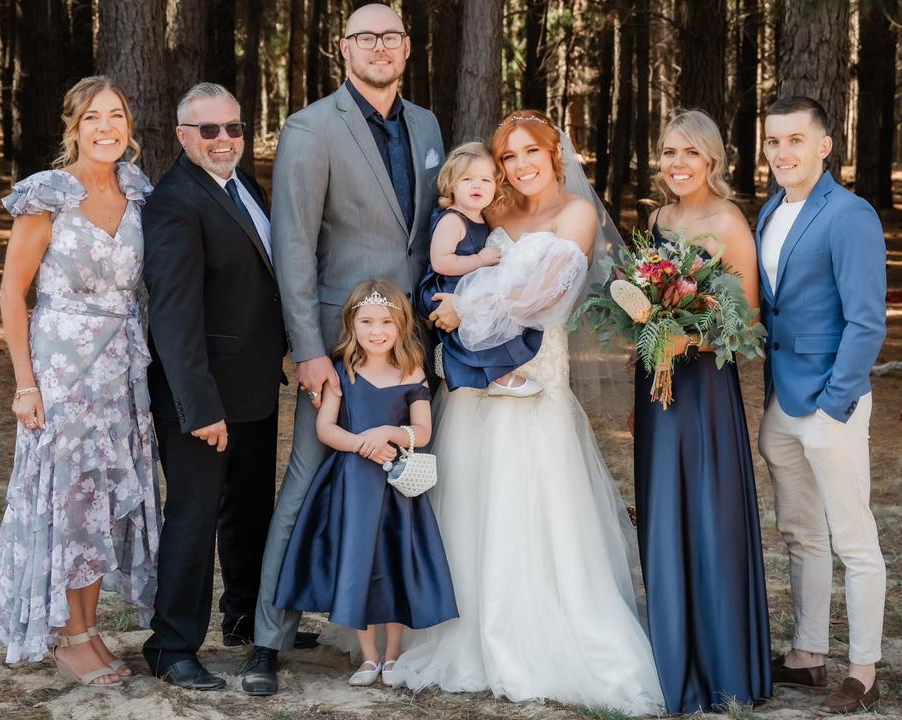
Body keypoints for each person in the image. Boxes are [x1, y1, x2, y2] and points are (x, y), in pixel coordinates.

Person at [392, 110, 665, 716]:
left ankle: (541, 638)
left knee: (531, 505)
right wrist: (446, 308)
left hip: (535, 379)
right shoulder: (494, 211)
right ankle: (458, 629)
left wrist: (466, 311)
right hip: (473, 388)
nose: (518, 166)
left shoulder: (576, 214)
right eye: (507, 157)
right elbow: (454, 259)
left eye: (528, 152)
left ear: (554, 152)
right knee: (469, 500)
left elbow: (546, 300)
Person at [248, 2, 445, 696]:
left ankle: (386, 630)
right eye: (366, 37)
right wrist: (308, 350)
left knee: (399, 485)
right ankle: (267, 638)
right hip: (341, 344)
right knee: (307, 482)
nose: (380, 48)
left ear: (407, 47)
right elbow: (294, 244)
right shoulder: (310, 128)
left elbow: (426, 235)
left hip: (412, 342)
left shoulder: (426, 126)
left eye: (390, 37)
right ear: (344, 48)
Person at [0, 75, 158, 688]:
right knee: (68, 501)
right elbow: (12, 292)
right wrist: (24, 384)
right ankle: (69, 637)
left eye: (116, 115)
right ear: (74, 127)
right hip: (62, 372)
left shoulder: (139, 193)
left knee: (104, 498)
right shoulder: (49, 196)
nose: (106, 126)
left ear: (129, 127)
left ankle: (88, 629)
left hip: (122, 372)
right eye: (93, 117)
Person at [139, 82, 284, 691]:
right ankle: (172, 646)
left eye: (234, 128)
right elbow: (173, 317)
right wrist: (199, 407)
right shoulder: (175, 202)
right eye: (209, 130)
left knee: (250, 509)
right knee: (194, 519)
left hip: (253, 384)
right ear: (182, 137)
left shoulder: (242, 184)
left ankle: (245, 618)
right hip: (202, 397)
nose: (224, 140)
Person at [634, 109, 772, 713]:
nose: (677, 164)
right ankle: (672, 660)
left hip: (705, 390)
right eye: (668, 153)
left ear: (713, 160)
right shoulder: (658, 220)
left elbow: (749, 322)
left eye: (690, 153)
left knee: (708, 514)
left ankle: (722, 667)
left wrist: (688, 340)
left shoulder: (729, 222)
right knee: (662, 512)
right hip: (656, 386)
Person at [754, 96, 887, 715]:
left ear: (824, 146)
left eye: (795, 141)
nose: (782, 153)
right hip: (783, 402)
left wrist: (836, 405)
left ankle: (863, 671)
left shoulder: (849, 214)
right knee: (800, 533)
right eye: (773, 141)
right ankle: (808, 656)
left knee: (853, 540)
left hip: (830, 402)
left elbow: (866, 322)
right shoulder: (769, 211)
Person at [274, 278, 457, 688]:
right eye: (368, 322)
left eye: (387, 323)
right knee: (356, 562)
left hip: (396, 488)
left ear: (402, 326)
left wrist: (389, 434)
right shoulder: (344, 371)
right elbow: (325, 429)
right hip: (353, 485)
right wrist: (362, 443)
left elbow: (422, 432)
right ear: (352, 324)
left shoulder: (412, 370)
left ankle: (393, 654)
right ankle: (368, 656)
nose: (377, 331)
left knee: (391, 562)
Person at [417, 142, 542, 396]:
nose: (477, 185)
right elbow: (441, 262)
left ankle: (496, 371)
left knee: (499, 318)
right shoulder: (452, 219)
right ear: (451, 184)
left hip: (466, 286)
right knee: (482, 324)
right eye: (468, 179)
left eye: (485, 180)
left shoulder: (480, 216)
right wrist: (480, 259)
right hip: (444, 289)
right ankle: (499, 377)